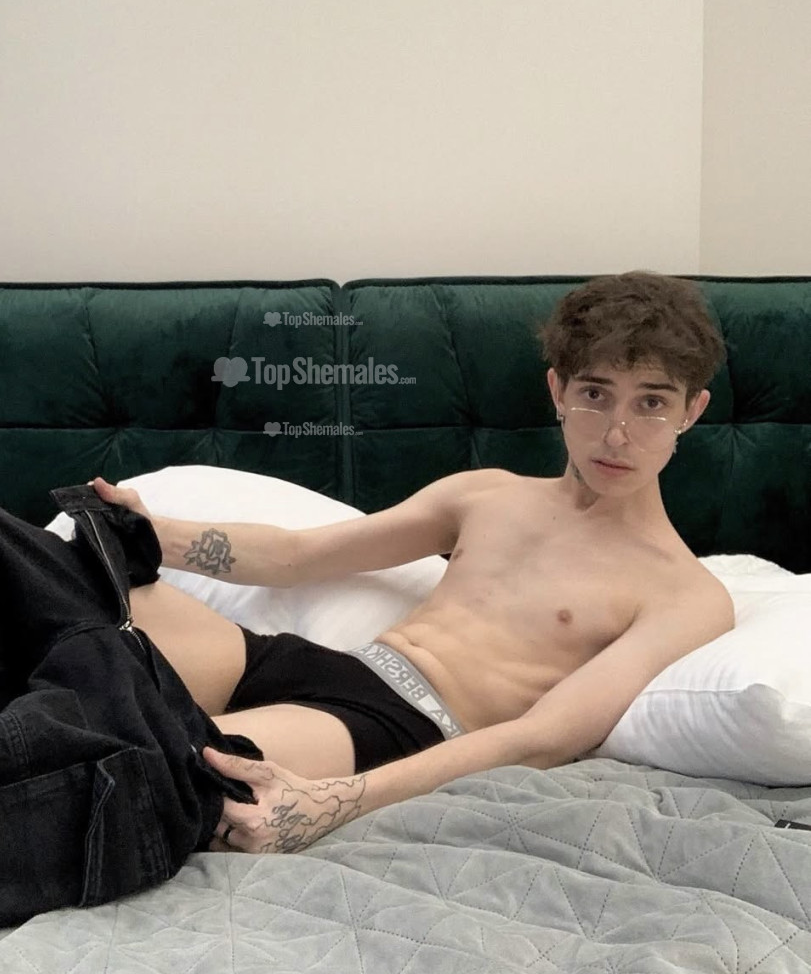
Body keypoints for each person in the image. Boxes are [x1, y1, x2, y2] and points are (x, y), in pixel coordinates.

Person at [92, 270, 734, 857]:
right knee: (67, 577)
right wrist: (151, 535)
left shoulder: (685, 595)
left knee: (149, 763)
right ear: (558, 391)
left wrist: (334, 803)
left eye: (652, 403)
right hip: (333, 664)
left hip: (404, 723)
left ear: (692, 411)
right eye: (596, 393)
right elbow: (297, 556)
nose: (618, 433)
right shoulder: (485, 495)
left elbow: (542, 738)